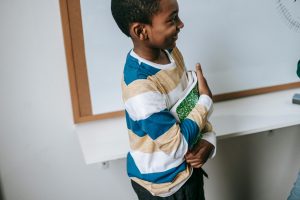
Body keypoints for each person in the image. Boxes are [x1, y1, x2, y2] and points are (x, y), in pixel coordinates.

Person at [111, 0, 216, 199]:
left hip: (188, 173)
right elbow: (177, 146)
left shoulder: (171, 52)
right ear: (141, 31)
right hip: (163, 189)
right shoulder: (140, 87)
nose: (181, 24)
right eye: (172, 19)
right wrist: (206, 101)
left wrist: (209, 139)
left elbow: (189, 107)